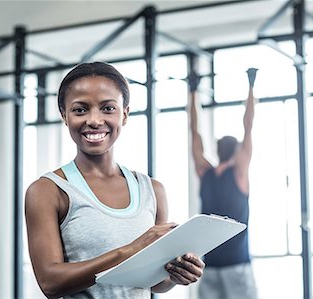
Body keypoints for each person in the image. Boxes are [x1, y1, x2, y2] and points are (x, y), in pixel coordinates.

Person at [25, 62, 205, 298]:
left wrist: (175, 274)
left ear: (125, 114)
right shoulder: (48, 191)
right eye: (80, 110)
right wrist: (132, 249)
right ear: (65, 116)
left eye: (108, 108)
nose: (94, 120)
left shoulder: (152, 190)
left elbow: (153, 283)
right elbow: (50, 283)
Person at [188, 68, 258, 299]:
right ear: (237, 151)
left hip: (210, 264)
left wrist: (193, 91)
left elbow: (194, 132)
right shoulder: (239, 172)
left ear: (217, 149)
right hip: (236, 265)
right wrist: (251, 84)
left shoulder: (205, 172)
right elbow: (248, 125)